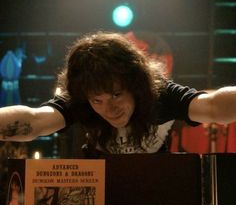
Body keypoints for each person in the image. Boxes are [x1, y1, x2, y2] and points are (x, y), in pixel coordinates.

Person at [0, 31, 236, 157]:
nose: (109, 109)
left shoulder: (160, 94)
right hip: (98, 192)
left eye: (116, 95)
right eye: (98, 101)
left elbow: (213, 106)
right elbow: (34, 121)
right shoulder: (81, 100)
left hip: (155, 189)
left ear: (136, 85)